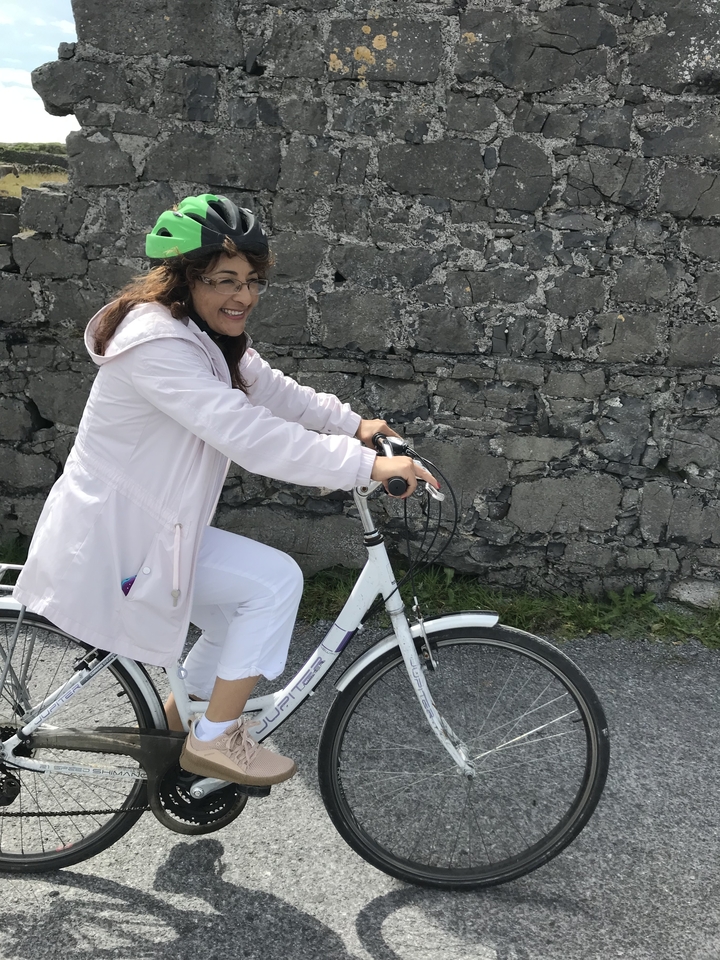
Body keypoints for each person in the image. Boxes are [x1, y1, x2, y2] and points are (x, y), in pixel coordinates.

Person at [13, 193, 438, 788]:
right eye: (224, 280)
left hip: (155, 529)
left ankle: (173, 733)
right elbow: (249, 434)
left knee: (236, 610)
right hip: (117, 541)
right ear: (184, 280)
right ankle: (214, 739)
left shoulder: (200, 334)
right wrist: (363, 466)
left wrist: (353, 425)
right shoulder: (158, 347)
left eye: (251, 281)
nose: (244, 296)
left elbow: (273, 390)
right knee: (274, 583)